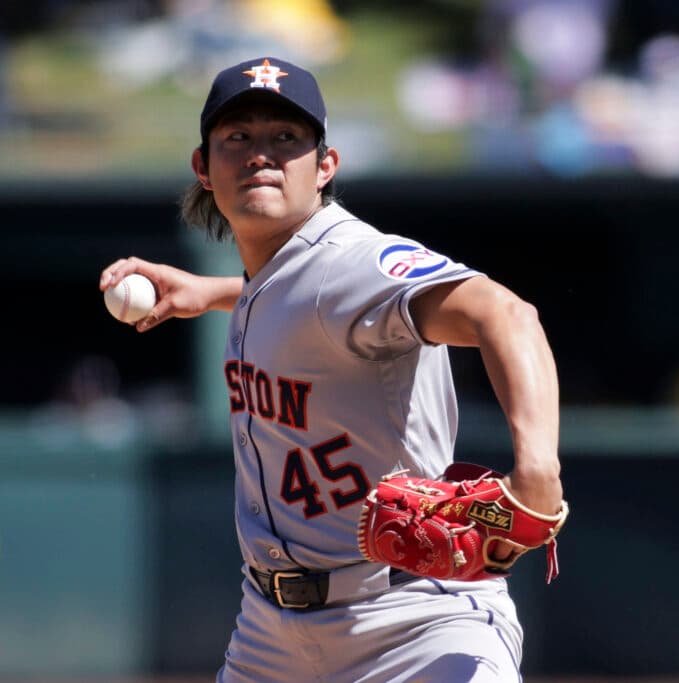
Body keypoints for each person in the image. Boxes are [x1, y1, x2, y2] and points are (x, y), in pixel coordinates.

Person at [98, 56, 564, 682]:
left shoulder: (354, 261)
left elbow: (506, 314)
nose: (260, 154)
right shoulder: (278, 279)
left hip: (416, 622)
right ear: (203, 168)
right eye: (238, 136)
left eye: (286, 138)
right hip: (269, 637)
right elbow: (303, 302)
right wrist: (214, 293)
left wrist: (538, 468)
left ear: (325, 167)